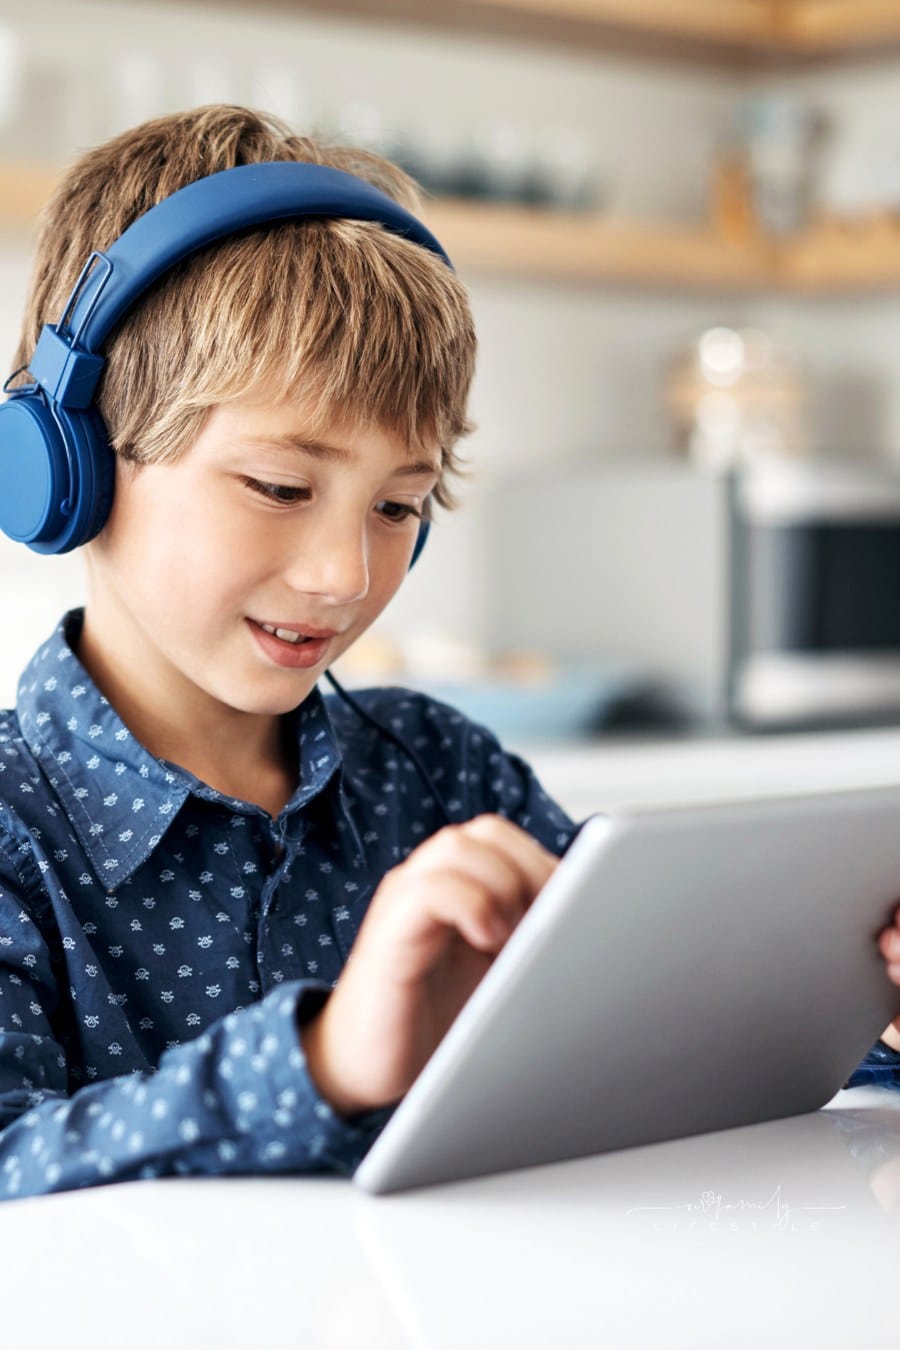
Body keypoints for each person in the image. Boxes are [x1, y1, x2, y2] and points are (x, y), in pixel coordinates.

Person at [0, 105, 575, 1200]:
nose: (344, 575)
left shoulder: (443, 777)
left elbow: (647, 1041)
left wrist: (845, 1009)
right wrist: (320, 1063)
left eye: (399, 505)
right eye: (279, 486)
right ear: (62, 466)